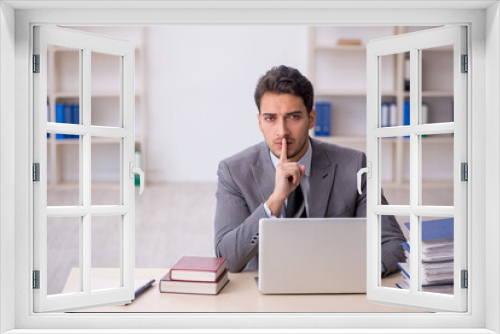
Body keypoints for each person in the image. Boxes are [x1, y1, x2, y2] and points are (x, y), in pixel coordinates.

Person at [214, 65, 406, 276]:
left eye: (293, 117)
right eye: (270, 118)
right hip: (262, 296)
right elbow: (227, 259)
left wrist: (355, 273)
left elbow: (394, 244)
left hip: (335, 289)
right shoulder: (233, 171)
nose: (282, 131)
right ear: (260, 122)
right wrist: (274, 202)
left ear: (311, 119)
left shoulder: (354, 165)